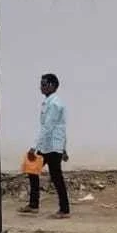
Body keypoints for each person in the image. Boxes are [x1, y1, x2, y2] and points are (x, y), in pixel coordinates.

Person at [20, 73, 71, 218]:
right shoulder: (49, 102)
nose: (41, 87)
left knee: (56, 177)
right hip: (47, 146)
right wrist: (64, 148)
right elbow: (60, 127)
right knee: (32, 170)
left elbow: (48, 127)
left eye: (44, 84)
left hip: (53, 146)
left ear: (52, 86)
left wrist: (33, 147)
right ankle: (33, 205)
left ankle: (64, 209)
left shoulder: (55, 104)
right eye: (41, 84)